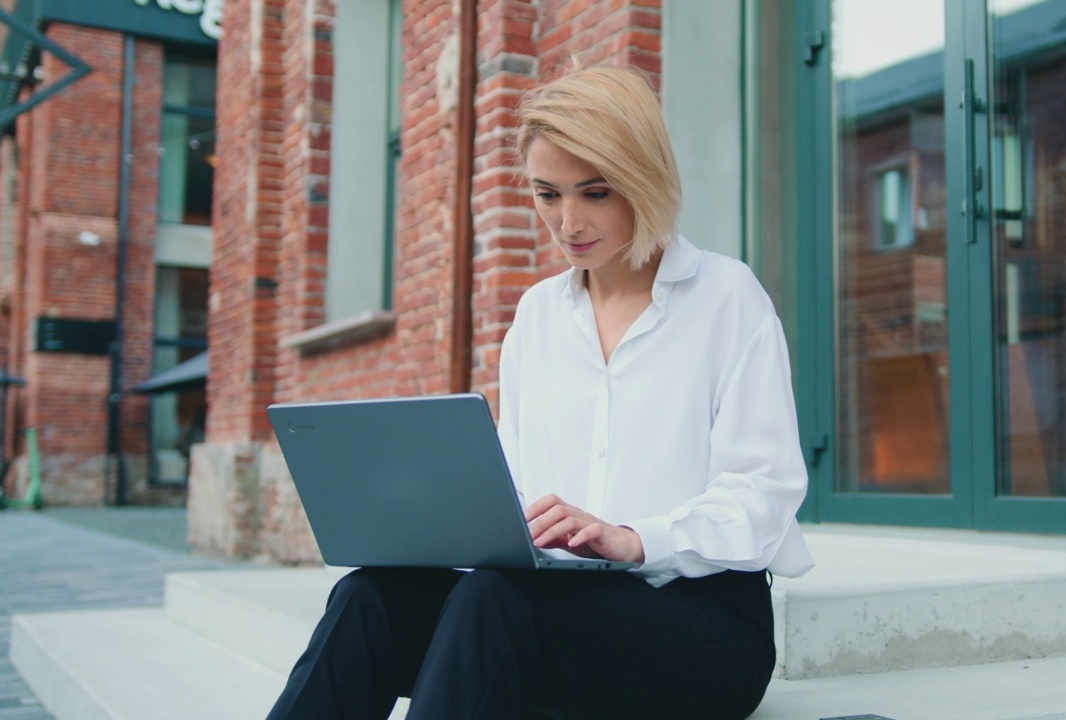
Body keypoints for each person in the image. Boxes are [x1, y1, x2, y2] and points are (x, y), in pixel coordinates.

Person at [266, 65, 813, 720]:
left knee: (495, 600)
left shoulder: (728, 298)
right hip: (552, 609)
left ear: (644, 179)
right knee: (369, 596)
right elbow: (518, 487)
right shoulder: (537, 316)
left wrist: (635, 538)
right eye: (547, 194)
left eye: (595, 192)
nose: (568, 221)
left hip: (704, 625)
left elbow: (765, 493)